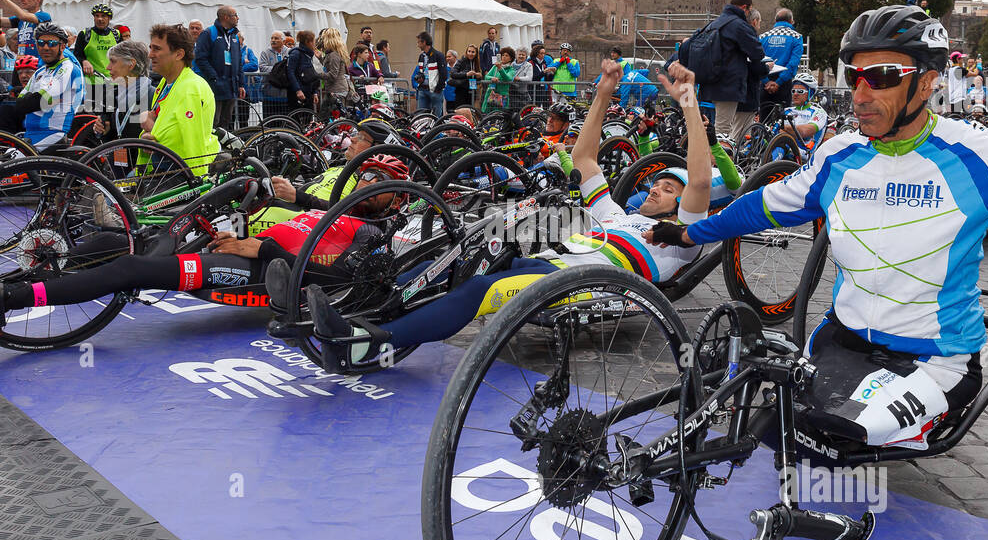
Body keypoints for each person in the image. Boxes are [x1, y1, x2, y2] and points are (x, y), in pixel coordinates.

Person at [647, 3, 988, 454]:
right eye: (853, 76)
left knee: (837, 436)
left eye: (881, 78)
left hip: (937, 359)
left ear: (927, 84)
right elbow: (762, 206)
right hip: (843, 342)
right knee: (759, 416)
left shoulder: (980, 156)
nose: (859, 94)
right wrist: (691, 235)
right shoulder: (838, 155)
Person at [305, 58, 714, 372]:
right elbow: (584, 157)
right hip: (549, 262)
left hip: (579, 284)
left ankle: (369, 343)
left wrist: (688, 102)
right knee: (451, 263)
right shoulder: (618, 215)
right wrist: (604, 91)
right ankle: (350, 306)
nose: (658, 188)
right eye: (658, 182)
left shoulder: (681, 240)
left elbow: (699, 182)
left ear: (683, 207)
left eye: (669, 190)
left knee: (475, 293)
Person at [0, 156, 413, 331]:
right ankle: (8, 283)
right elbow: (289, 223)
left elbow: (335, 280)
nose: (366, 184)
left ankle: (4, 298)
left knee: (133, 271)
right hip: (235, 252)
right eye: (365, 175)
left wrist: (256, 251)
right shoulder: (329, 211)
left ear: (393, 205)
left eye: (379, 183)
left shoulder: (370, 236)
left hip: (257, 278)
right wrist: (240, 232)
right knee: (113, 240)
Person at [678, 0, 765, 140]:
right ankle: (716, 162)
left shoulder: (715, 23)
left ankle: (712, 158)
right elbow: (757, 52)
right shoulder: (737, 25)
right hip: (729, 85)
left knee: (716, 128)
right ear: (745, 8)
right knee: (722, 132)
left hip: (710, 83)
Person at [0, 22, 84, 149]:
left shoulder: (68, 68)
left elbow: (39, 101)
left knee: (7, 166)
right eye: (41, 43)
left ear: (62, 46)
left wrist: (32, 100)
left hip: (52, 134)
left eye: (52, 43)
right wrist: (32, 100)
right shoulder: (41, 71)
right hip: (30, 134)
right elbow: (21, 103)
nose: (45, 47)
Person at [141, 24, 220, 175]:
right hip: (166, 166)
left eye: (156, 49)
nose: (150, 55)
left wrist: (199, 188)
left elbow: (192, 143)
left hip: (183, 174)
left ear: (178, 54)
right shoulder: (166, 83)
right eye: (150, 48)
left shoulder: (190, 89)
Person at [192, 6, 245, 130]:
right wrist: (214, 78)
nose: (238, 18)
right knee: (213, 123)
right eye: (235, 15)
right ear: (226, 17)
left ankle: (223, 149)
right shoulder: (209, 33)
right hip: (215, 87)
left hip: (231, 87)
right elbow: (200, 58)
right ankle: (211, 148)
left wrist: (241, 83)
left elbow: (238, 61)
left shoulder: (235, 36)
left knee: (225, 124)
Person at [90, 39, 152, 140]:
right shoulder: (112, 94)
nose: (108, 67)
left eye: (113, 62)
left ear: (131, 64)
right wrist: (103, 130)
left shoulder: (153, 96)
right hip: (117, 154)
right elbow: (110, 137)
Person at [759, 8, 804, 115]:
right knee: (782, 122)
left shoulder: (763, 37)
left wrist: (766, 81)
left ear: (775, 20)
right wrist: (778, 82)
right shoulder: (796, 37)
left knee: (763, 120)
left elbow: (757, 61)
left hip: (765, 82)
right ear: (791, 21)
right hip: (784, 82)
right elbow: (793, 64)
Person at [775, 73, 831, 151]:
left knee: (781, 148)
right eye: (793, 91)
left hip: (805, 153)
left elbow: (805, 132)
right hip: (785, 147)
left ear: (810, 93)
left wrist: (782, 127)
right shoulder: (787, 110)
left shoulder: (819, 113)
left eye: (800, 91)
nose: (795, 94)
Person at [71, 4, 123, 86]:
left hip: (113, 80)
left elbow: (122, 56)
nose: (100, 19)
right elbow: (76, 55)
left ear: (109, 18)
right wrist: (84, 61)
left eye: (103, 16)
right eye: (96, 16)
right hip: (92, 82)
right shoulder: (85, 34)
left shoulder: (116, 34)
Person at [317, 27, 355, 115]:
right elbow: (331, 68)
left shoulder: (333, 55)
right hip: (335, 90)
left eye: (323, 38)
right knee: (329, 117)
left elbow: (333, 75)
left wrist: (316, 74)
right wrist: (320, 58)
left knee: (329, 117)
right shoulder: (332, 54)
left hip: (337, 91)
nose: (321, 40)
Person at [413, 31, 447, 115]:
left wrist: (438, 88)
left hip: (435, 91)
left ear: (424, 42)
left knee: (435, 118)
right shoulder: (421, 56)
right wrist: (419, 78)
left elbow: (443, 73)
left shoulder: (438, 55)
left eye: (418, 42)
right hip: (422, 89)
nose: (417, 45)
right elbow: (421, 71)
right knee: (421, 117)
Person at [287, 30, 321, 110]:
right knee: (296, 119)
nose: (314, 43)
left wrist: (315, 92)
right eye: (313, 41)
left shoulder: (309, 55)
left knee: (308, 119)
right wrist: (298, 90)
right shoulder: (296, 53)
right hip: (297, 93)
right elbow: (290, 72)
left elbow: (312, 75)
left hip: (308, 92)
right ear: (307, 42)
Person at [258, 31, 289, 118]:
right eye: (272, 38)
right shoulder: (265, 52)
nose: (273, 40)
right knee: (270, 121)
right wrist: (279, 70)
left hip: (286, 94)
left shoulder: (289, 52)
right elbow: (262, 67)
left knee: (284, 120)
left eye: (276, 38)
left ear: (283, 41)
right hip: (269, 94)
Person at [482, 46, 518, 114]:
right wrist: (492, 78)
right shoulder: (495, 67)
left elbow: (508, 78)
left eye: (507, 55)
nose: (504, 57)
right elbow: (486, 76)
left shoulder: (511, 69)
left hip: (502, 96)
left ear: (511, 58)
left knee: (500, 115)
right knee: (487, 114)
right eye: (503, 55)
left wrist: (500, 69)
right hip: (491, 93)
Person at [448, 44, 482, 110]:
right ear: (466, 52)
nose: (470, 53)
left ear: (476, 53)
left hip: (472, 91)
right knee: (460, 112)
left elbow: (478, 79)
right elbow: (453, 74)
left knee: (470, 112)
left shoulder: (476, 63)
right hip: (461, 91)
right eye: (469, 51)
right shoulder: (461, 61)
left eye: (473, 52)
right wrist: (466, 74)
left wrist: (479, 76)